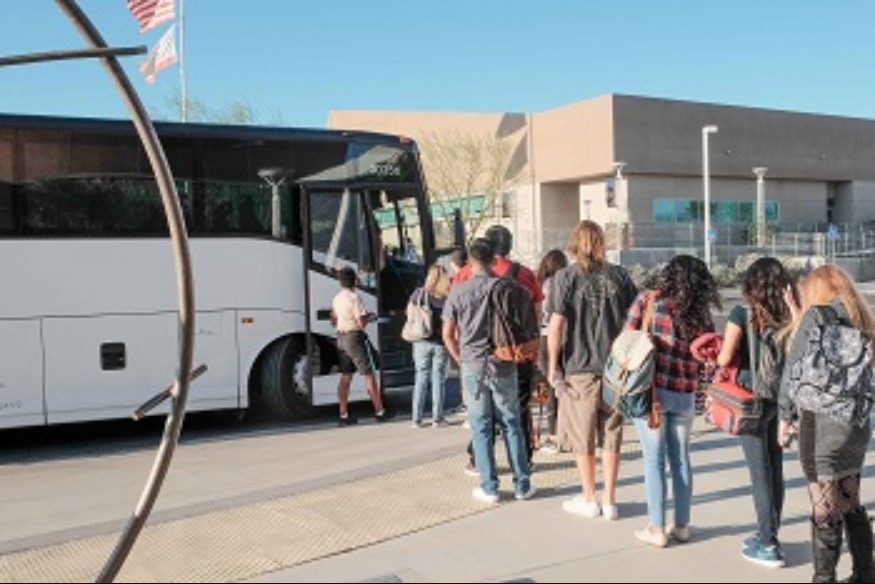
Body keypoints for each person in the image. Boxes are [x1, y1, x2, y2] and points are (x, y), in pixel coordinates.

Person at [779, 265, 875, 583]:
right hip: (856, 425)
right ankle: (865, 573)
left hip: (819, 422)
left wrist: (785, 415)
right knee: (850, 500)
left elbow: (795, 366)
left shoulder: (816, 316)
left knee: (824, 507)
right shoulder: (861, 316)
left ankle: (824, 578)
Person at [626, 256, 721, 548]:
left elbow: (626, 341)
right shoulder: (701, 313)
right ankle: (681, 525)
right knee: (680, 458)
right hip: (684, 395)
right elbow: (708, 357)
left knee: (653, 461)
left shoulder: (648, 300)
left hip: (651, 394)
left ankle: (656, 529)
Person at [547, 222, 638, 521]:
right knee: (611, 434)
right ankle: (610, 500)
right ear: (601, 242)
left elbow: (556, 326)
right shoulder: (620, 276)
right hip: (615, 368)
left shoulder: (565, 278)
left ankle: (589, 498)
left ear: (575, 243)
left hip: (579, 367)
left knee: (581, 435)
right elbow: (635, 318)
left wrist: (552, 367)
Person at [716, 258, 798, 568]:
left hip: (750, 399)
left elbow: (724, 358)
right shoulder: (789, 314)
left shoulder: (741, 313)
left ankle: (767, 543)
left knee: (759, 473)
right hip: (780, 398)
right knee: (775, 469)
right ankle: (769, 532)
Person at [443, 238, 536, 504]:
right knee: (511, 423)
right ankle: (522, 484)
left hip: (473, 364)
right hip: (504, 362)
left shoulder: (459, 291)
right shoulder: (507, 286)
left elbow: (448, 334)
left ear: (470, 262)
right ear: (494, 260)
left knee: (481, 426)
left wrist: (461, 358)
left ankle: (489, 487)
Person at [456, 225, 545, 468]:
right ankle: (523, 462)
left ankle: (479, 462)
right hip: (517, 354)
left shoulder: (465, 273)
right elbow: (536, 314)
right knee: (518, 410)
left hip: (477, 354)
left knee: (482, 413)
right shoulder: (525, 274)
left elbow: (455, 317)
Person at [331, 266, 390, 426]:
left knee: (346, 376)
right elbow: (361, 322)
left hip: (341, 338)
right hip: (355, 338)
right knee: (369, 373)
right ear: (355, 280)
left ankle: (343, 414)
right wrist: (369, 317)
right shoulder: (354, 298)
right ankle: (379, 411)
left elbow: (334, 319)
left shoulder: (336, 298)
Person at [410, 264, 453, 428]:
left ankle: (416, 418)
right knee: (438, 380)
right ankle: (437, 418)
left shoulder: (419, 294)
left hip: (421, 340)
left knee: (420, 378)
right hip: (440, 342)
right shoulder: (446, 297)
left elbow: (410, 314)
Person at [537, 249, 569, 454]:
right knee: (563, 382)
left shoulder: (542, 285)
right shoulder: (566, 283)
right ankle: (565, 432)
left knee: (549, 385)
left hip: (545, 336)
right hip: (566, 336)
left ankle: (554, 435)